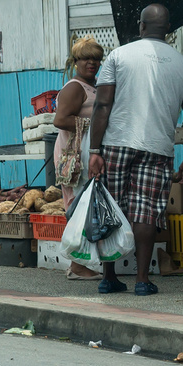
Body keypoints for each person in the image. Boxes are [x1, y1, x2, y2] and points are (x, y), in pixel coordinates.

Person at [88, 4, 183, 296]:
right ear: (169, 31)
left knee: (111, 206)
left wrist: (94, 150)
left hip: (115, 143)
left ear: (140, 27)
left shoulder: (118, 55)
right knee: (146, 212)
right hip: (158, 149)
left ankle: (109, 276)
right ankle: (141, 279)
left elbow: (102, 105)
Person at [52, 36, 103, 280]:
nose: (91, 63)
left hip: (85, 152)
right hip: (74, 155)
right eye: (86, 59)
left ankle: (80, 262)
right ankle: (77, 264)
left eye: (96, 59)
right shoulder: (75, 87)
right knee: (78, 206)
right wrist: (95, 123)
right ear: (76, 62)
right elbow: (60, 120)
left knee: (85, 205)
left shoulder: (92, 85)